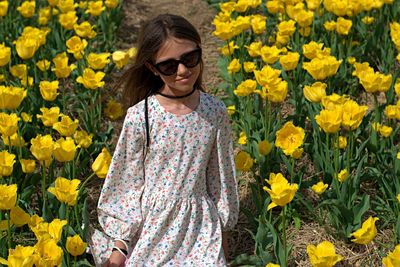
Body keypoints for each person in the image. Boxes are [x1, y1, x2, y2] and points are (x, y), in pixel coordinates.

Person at [89, 13, 239, 266]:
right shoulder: (141, 116)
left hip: (199, 227)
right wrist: (120, 246)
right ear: (152, 68)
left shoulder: (214, 110)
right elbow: (126, 182)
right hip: (152, 225)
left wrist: (222, 236)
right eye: (169, 66)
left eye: (190, 58)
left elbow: (220, 175)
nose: (183, 70)